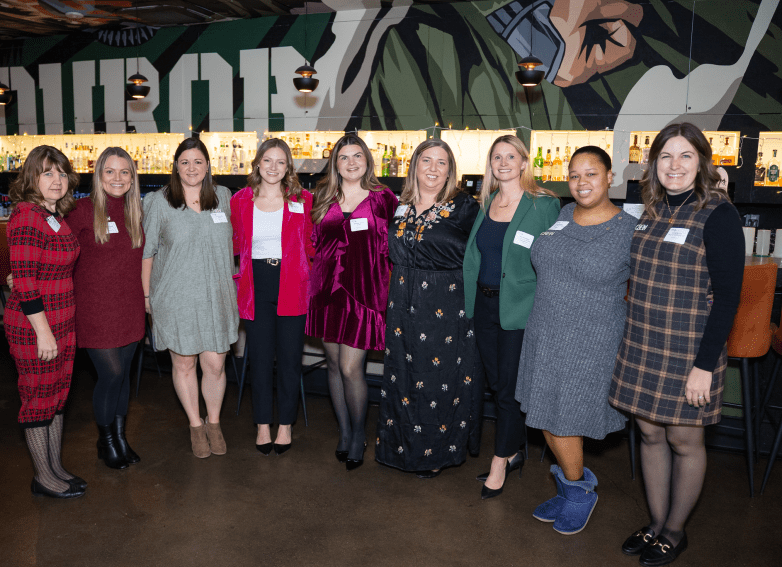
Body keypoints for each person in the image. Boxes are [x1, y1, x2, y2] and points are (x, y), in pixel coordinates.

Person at [610, 123, 744, 566]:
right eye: (666, 156)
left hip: (690, 350)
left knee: (685, 440)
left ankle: (674, 530)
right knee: (649, 433)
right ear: (654, 164)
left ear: (702, 162)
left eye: (685, 156)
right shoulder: (649, 210)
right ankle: (655, 522)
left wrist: (704, 365)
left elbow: (727, 297)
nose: (674, 165)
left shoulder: (719, 214)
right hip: (644, 341)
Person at [515, 146, 635, 534]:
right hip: (545, 333)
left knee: (566, 418)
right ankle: (571, 488)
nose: (581, 183)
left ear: (610, 176)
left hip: (590, 340)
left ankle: (580, 493)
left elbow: (647, 287)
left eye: (591, 174)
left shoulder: (628, 230)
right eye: (574, 175)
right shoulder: (564, 216)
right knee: (544, 413)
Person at [374, 139, 481, 478]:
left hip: (445, 302)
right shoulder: (399, 203)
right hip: (402, 299)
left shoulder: (465, 207)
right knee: (401, 375)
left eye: (442, 163)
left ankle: (433, 454)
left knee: (438, 378)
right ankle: (398, 448)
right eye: (426, 161)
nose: (433, 169)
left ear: (451, 170)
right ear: (414, 165)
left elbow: (481, 255)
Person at [463, 134, 560, 499]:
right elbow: (477, 256)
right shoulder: (487, 202)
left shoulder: (543, 205)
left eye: (511, 156)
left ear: (524, 162)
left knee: (507, 389)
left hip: (521, 308)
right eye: (497, 157)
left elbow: (552, 261)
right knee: (496, 383)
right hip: (484, 307)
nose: (503, 162)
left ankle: (500, 461)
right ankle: (515, 449)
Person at [142, 138, 238, 459]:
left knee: (215, 363)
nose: (192, 168)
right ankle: (196, 426)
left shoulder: (223, 197)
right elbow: (147, 253)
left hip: (217, 295)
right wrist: (146, 295)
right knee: (184, 363)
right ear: (175, 166)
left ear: (208, 166)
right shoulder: (159, 201)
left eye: (198, 162)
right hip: (176, 296)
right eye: (185, 162)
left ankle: (214, 422)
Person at [307, 134, 398, 470]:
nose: (351, 162)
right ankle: (344, 432)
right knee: (333, 366)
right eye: (344, 157)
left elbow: (395, 246)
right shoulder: (323, 196)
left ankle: (360, 434)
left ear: (367, 160)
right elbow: (314, 242)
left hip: (364, 293)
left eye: (357, 156)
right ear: (336, 163)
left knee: (350, 367)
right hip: (326, 292)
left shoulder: (383, 198)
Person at [5, 145, 84, 498]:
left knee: (56, 395)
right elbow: (23, 282)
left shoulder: (54, 215)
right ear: (31, 178)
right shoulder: (26, 216)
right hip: (36, 327)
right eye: (47, 173)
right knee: (38, 397)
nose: (56, 180)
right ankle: (43, 478)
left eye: (61, 173)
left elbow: (33, 268)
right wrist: (44, 333)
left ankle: (54, 466)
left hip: (61, 321)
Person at [230, 138, 314, 456]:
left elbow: (312, 244)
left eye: (280, 162)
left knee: (291, 359)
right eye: (268, 161)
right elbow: (236, 243)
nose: (273, 167)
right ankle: (263, 423)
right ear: (257, 164)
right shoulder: (240, 200)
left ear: (288, 167)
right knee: (261, 359)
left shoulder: (303, 199)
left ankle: (285, 425)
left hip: (292, 283)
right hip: (255, 284)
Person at [66, 147, 145, 469]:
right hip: (94, 309)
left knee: (123, 375)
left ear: (132, 178)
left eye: (124, 172)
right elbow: (58, 252)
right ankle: (106, 440)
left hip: (129, 305)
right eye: (110, 171)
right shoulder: (82, 211)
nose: (117, 178)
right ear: (99, 175)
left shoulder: (136, 211)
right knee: (110, 373)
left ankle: (120, 436)